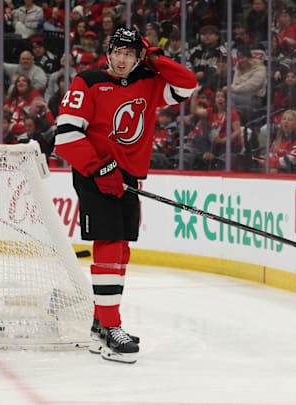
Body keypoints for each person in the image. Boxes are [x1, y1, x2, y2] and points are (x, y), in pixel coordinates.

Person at [54, 28, 197, 363]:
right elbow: (65, 136)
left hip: (128, 175)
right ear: (109, 52)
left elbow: (187, 84)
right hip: (95, 173)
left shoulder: (148, 82)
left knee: (120, 247)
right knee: (107, 243)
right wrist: (99, 168)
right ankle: (112, 326)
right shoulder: (88, 81)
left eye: (130, 54)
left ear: (138, 57)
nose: (123, 60)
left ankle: (100, 326)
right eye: (118, 52)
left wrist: (157, 58)